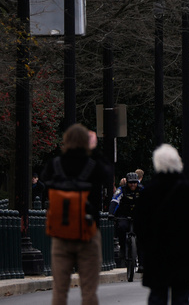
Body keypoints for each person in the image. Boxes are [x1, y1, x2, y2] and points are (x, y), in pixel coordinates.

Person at [41, 124, 110, 305]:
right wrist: (95, 151)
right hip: (87, 232)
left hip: (61, 233)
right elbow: (107, 173)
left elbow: (45, 183)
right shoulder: (93, 166)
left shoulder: (54, 165)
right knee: (88, 291)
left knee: (59, 291)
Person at [135, 145, 189, 305]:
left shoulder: (148, 191)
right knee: (181, 297)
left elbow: (139, 224)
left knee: (157, 296)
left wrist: (147, 244)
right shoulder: (187, 190)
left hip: (156, 252)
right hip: (182, 251)